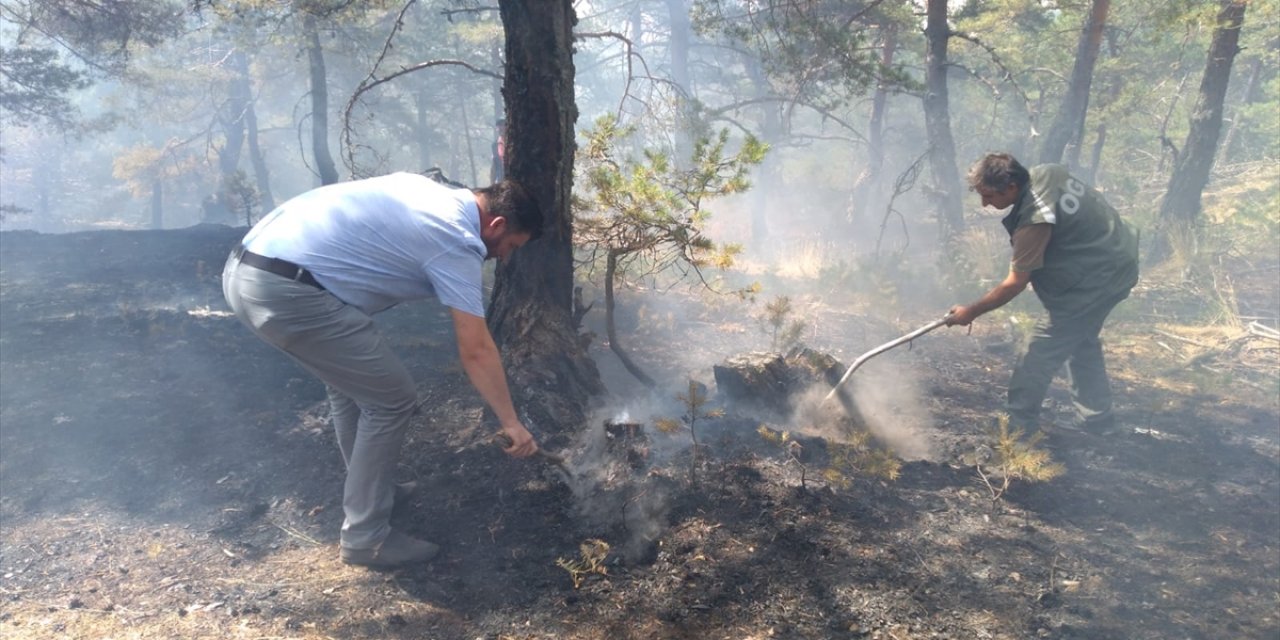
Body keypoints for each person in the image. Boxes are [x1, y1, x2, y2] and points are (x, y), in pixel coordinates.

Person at [222, 172, 542, 568]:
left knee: (353, 390)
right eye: (510, 246)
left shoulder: (428, 190)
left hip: (247, 271)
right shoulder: (457, 239)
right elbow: (476, 349)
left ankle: (374, 490)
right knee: (393, 401)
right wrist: (511, 422)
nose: (505, 257)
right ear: (497, 225)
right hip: (288, 291)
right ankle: (365, 538)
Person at [946, 153, 1139, 436]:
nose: (985, 203)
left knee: (1040, 347)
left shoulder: (1034, 222)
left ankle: (1016, 427)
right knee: (1080, 339)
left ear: (1011, 186)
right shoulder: (1045, 172)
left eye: (988, 196)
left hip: (1098, 278)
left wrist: (970, 312)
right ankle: (1098, 421)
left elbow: (1015, 283)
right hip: (1117, 255)